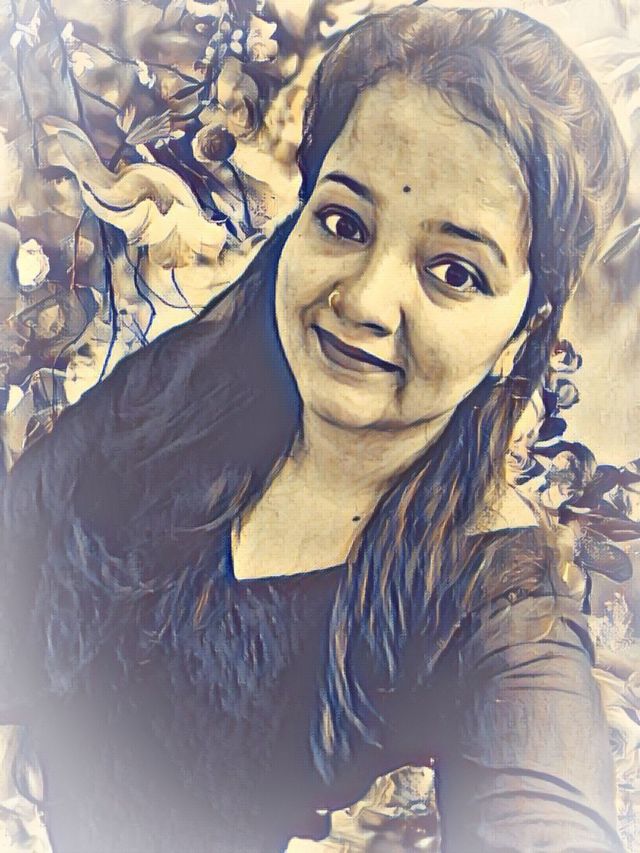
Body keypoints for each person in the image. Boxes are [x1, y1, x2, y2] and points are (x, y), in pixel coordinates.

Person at [0, 4, 629, 851]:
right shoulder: (187, 388)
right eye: (343, 223)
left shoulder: (504, 612)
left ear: (523, 332)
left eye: (453, 272)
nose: (364, 300)